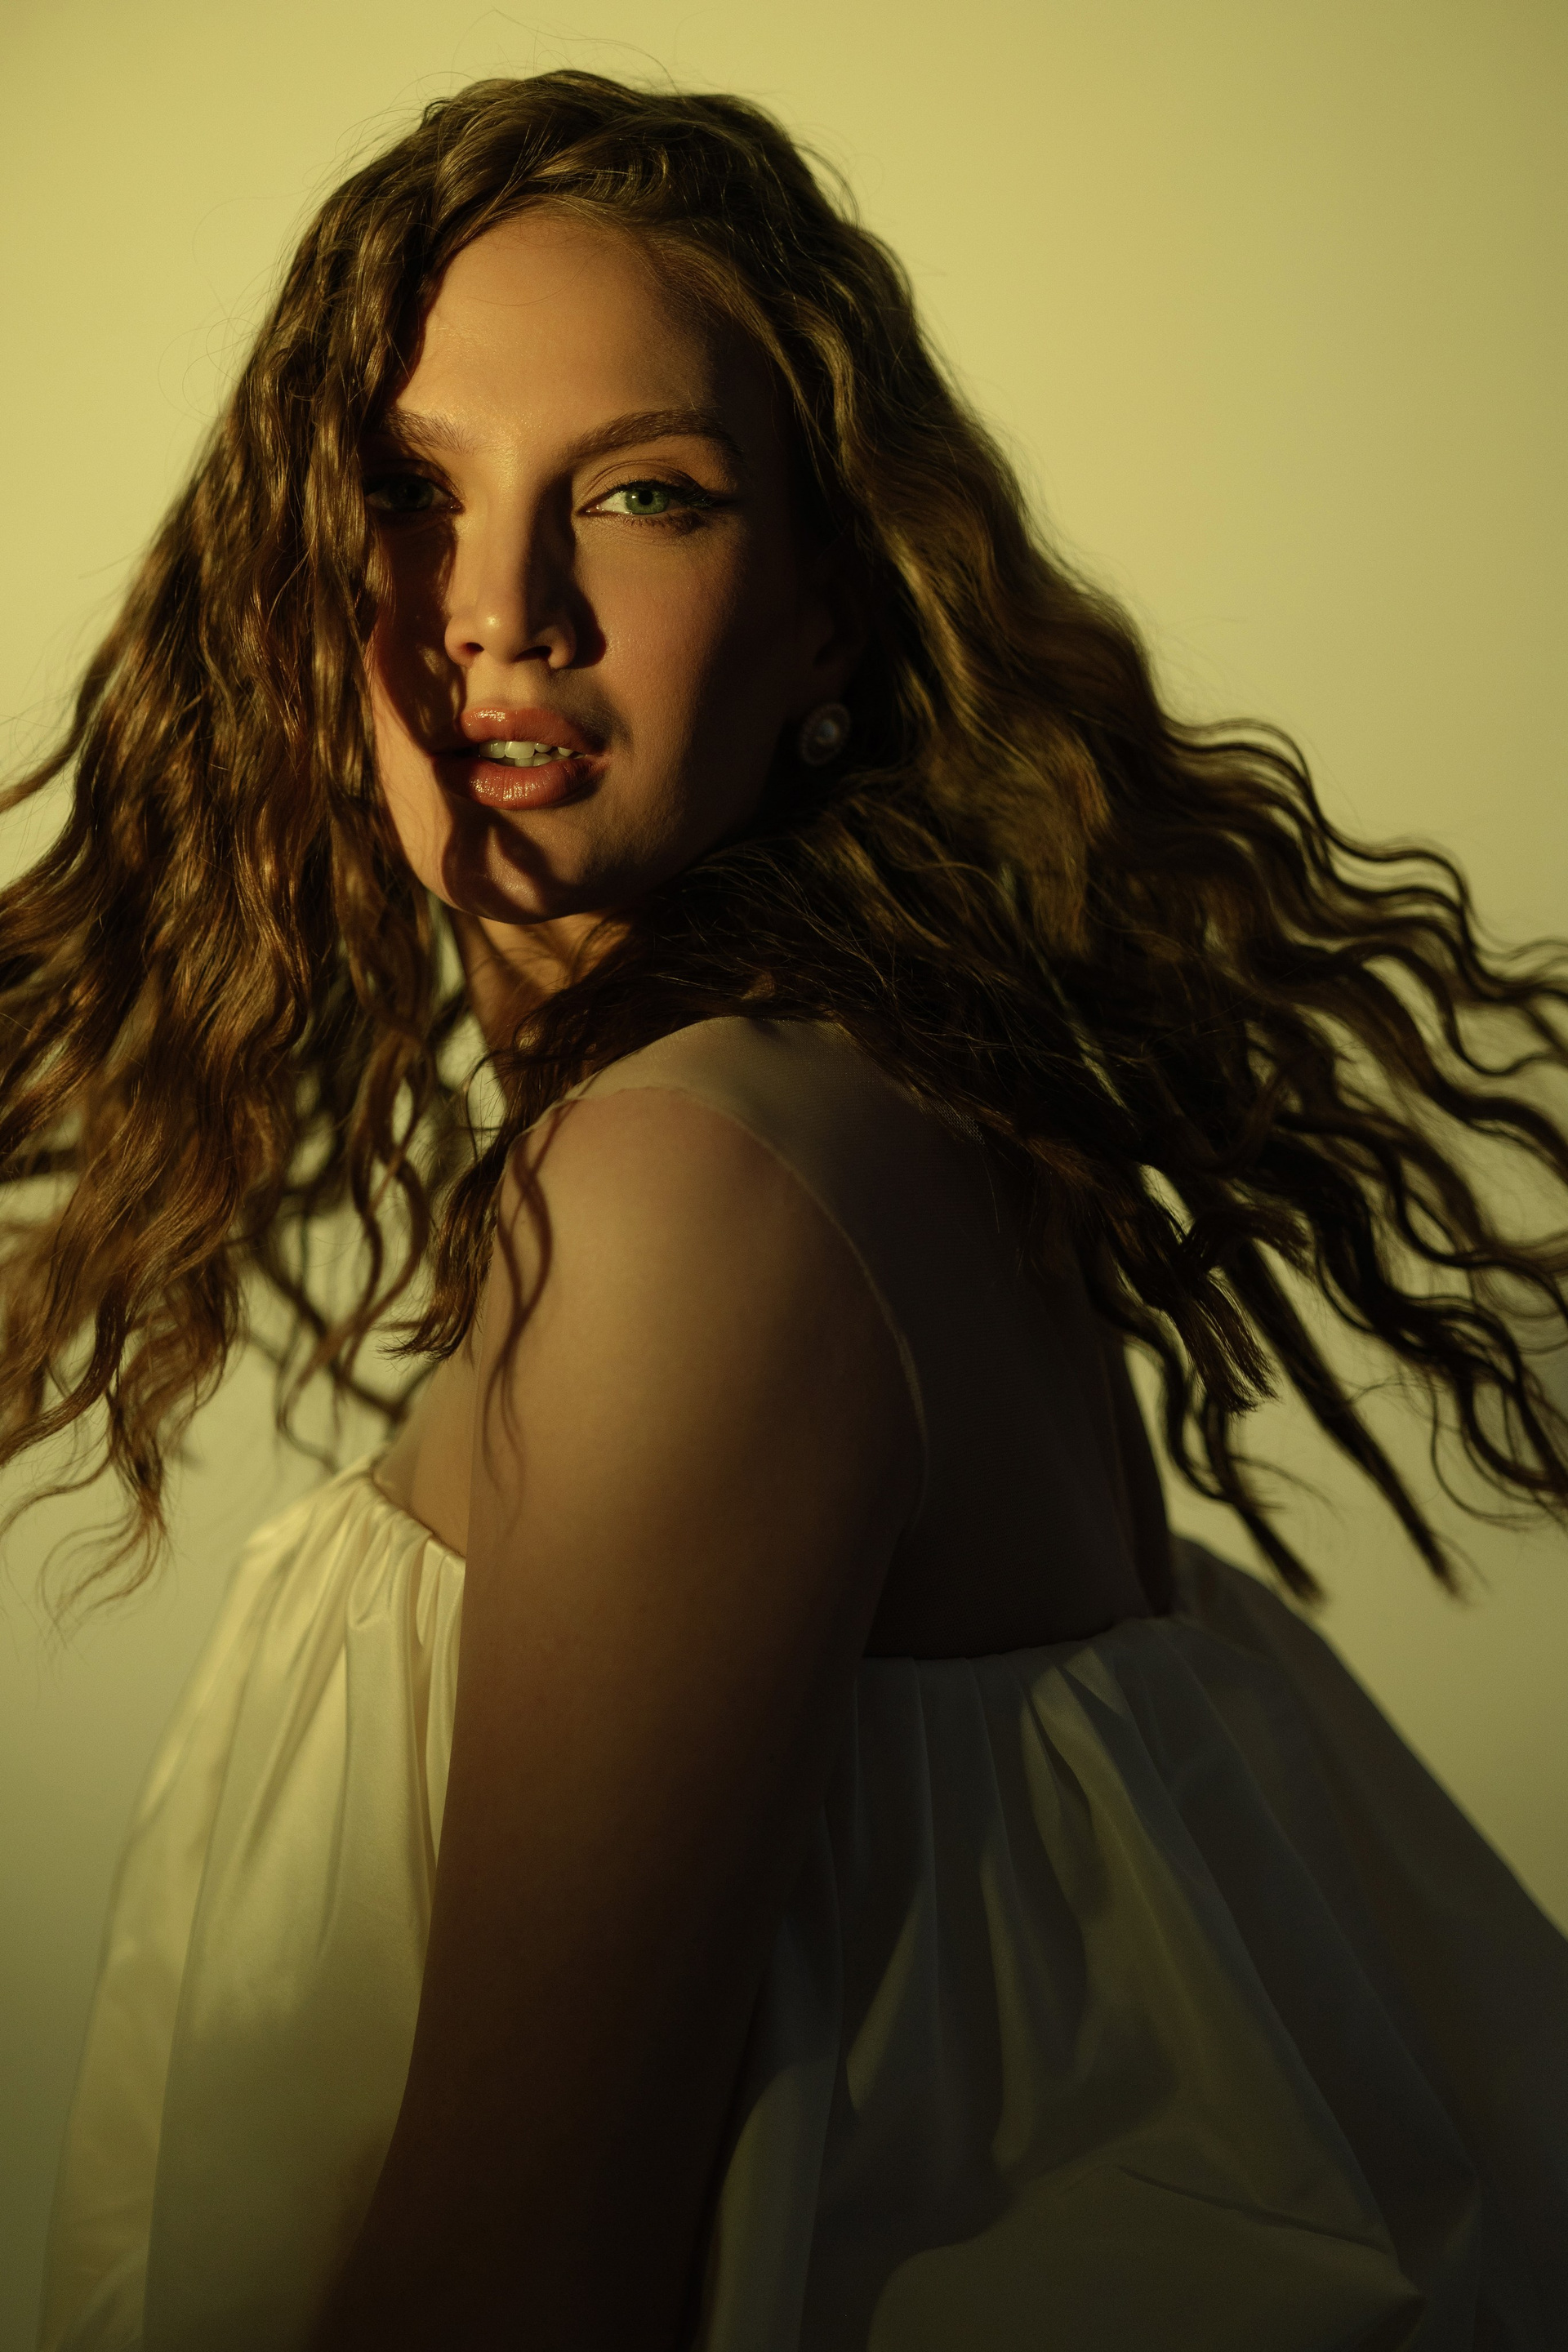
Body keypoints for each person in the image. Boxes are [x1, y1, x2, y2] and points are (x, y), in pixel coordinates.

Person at [12, 67, 1566, 2352]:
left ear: (832, 608)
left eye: (641, 495)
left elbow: (520, 2278)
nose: (502, 611)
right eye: (410, 494)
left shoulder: (700, 1185)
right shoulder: (865, 1107)